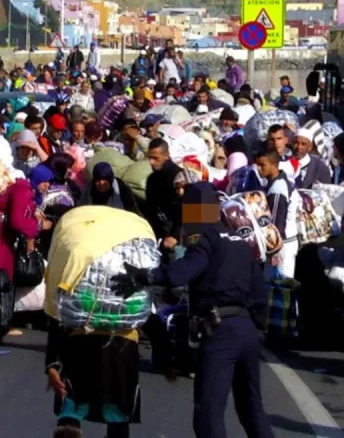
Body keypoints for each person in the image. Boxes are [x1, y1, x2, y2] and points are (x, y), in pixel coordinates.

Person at [111, 183, 273, 438]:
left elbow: (179, 274)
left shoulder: (206, 240)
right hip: (248, 332)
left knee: (208, 414)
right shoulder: (242, 244)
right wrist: (257, 328)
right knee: (251, 410)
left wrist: (144, 276)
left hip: (220, 332)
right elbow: (259, 294)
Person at [255, 150, 300, 279]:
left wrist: (272, 251)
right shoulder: (277, 183)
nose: (258, 169)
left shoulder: (278, 189)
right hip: (281, 245)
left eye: (262, 165)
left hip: (281, 247)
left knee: (281, 287)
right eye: (257, 164)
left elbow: (275, 225)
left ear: (274, 165)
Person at [144, 139, 182, 254]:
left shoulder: (179, 177)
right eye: (149, 157)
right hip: (160, 233)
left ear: (166, 156)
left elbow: (191, 210)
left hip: (178, 235)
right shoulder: (152, 179)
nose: (151, 162)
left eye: (155, 158)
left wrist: (175, 236)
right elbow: (150, 209)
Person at [293, 122, 331, 188]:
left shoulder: (320, 167)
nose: (299, 147)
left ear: (310, 147)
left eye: (303, 144)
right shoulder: (284, 162)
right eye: (296, 143)